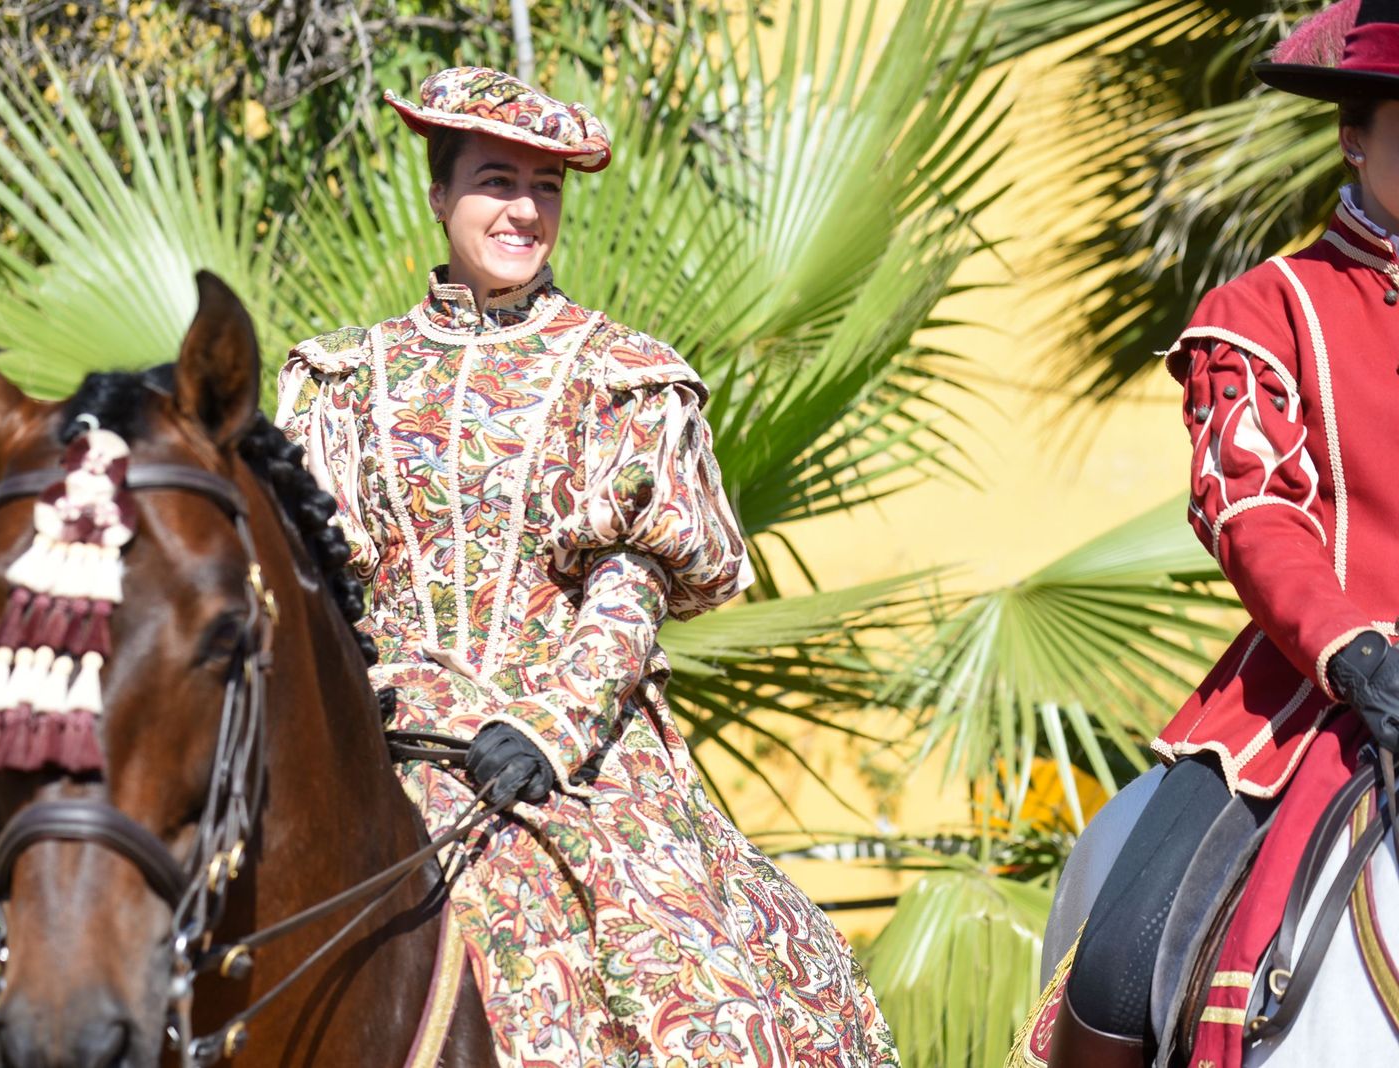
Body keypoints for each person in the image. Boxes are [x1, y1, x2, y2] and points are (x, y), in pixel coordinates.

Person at [276, 66, 899, 1067]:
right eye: (494, 181)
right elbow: (319, 592)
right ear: (438, 195)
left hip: (574, 755)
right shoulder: (341, 380)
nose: (523, 209)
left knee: (713, 995)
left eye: (545, 188)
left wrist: (542, 726)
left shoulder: (622, 377)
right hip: (387, 737)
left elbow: (631, 585)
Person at [1038, 1, 1399, 1064]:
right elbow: (1246, 507)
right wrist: (1355, 650)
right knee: (1118, 964)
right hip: (1314, 687)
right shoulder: (1262, 309)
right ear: (1352, 133)